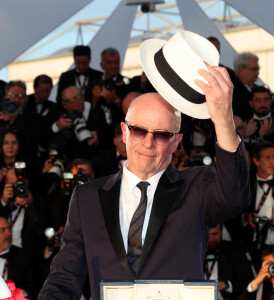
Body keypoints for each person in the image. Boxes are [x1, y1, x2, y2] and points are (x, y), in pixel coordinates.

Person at [39, 56, 250, 299]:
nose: (148, 143)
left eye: (161, 135)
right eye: (138, 131)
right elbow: (65, 276)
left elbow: (235, 197)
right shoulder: (87, 197)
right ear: (124, 132)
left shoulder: (196, 186)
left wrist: (223, 120)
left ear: (175, 142)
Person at [204, 224, 255, 300]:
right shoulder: (193, 253)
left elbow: (248, 282)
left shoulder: (234, 251)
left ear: (222, 231)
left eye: (215, 234)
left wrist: (227, 285)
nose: (211, 239)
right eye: (207, 234)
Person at [232, 52, 260, 120]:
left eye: (258, 69)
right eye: (254, 69)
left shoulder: (257, 89)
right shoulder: (232, 90)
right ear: (241, 70)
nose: (257, 73)